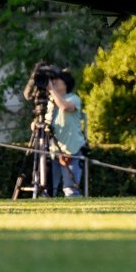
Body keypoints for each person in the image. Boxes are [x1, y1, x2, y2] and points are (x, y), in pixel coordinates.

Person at [47, 70, 87, 198]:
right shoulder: (50, 103)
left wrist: (51, 90)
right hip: (54, 151)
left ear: (65, 84)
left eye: (56, 81)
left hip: (72, 151)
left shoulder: (74, 99)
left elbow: (64, 107)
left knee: (71, 190)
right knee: (48, 189)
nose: (53, 83)